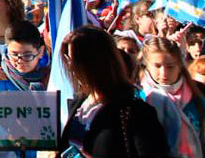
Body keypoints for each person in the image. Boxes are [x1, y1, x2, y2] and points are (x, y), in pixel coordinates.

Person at [58, 26, 167, 158]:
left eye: (75, 61)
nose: (70, 67)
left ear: (96, 62)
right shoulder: (78, 104)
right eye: (68, 59)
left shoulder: (136, 112)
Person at [0, 21, 50, 158]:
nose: (19, 61)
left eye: (27, 55)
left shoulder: (51, 78)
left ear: (40, 52)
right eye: (14, 54)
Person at [139, 37, 205, 158]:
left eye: (170, 66)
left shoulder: (197, 96)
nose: (163, 73)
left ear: (180, 66)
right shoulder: (142, 97)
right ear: (146, 65)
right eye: (157, 66)